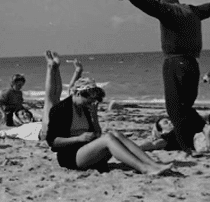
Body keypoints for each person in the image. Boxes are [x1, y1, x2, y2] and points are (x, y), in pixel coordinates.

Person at [116, 0, 210, 154]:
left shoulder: (169, 10)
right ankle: (203, 132)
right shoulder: (193, 11)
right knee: (185, 108)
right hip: (192, 64)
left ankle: (187, 148)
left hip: (175, 63)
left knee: (174, 109)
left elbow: (150, 5)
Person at [44, 50, 173, 175]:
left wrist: (94, 116)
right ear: (77, 93)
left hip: (88, 150)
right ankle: (144, 168)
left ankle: (152, 164)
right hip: (70, 156)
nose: (90, 103)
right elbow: (52, 141)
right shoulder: (60, 109)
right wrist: (78, 138)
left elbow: (97, 134)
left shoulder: (86, 108)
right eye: (88, 100)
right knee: (108, 138)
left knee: (115, 134)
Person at [0, 57, 88, 142]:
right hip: (48, 130)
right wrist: (4, 115)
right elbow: (1, 132)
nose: (25, 114)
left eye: (25, 113)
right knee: (54, 97)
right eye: (23, 115)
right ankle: (52, 68)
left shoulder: (33, 119)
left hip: (56, 127)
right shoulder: (20, 128)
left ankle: (74, 71)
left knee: (64, 97)